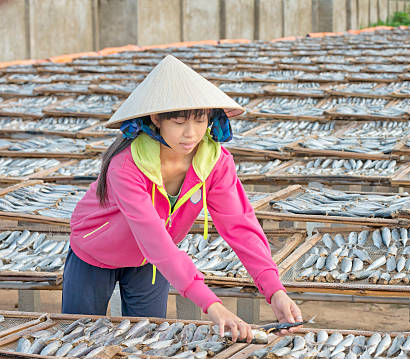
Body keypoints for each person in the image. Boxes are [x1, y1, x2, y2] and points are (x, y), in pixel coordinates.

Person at [63, 55, 302, 342]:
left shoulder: (216, 162)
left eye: (200, 120)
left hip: (151, 265)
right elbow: (155, 240)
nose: (191, 134)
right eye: (178, 122)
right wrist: (212, 306)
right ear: (156, 119)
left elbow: (240, 226)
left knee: (147, 343)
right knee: (77, 339)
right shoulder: (126, 166)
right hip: (95, 253)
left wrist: (274, 290)